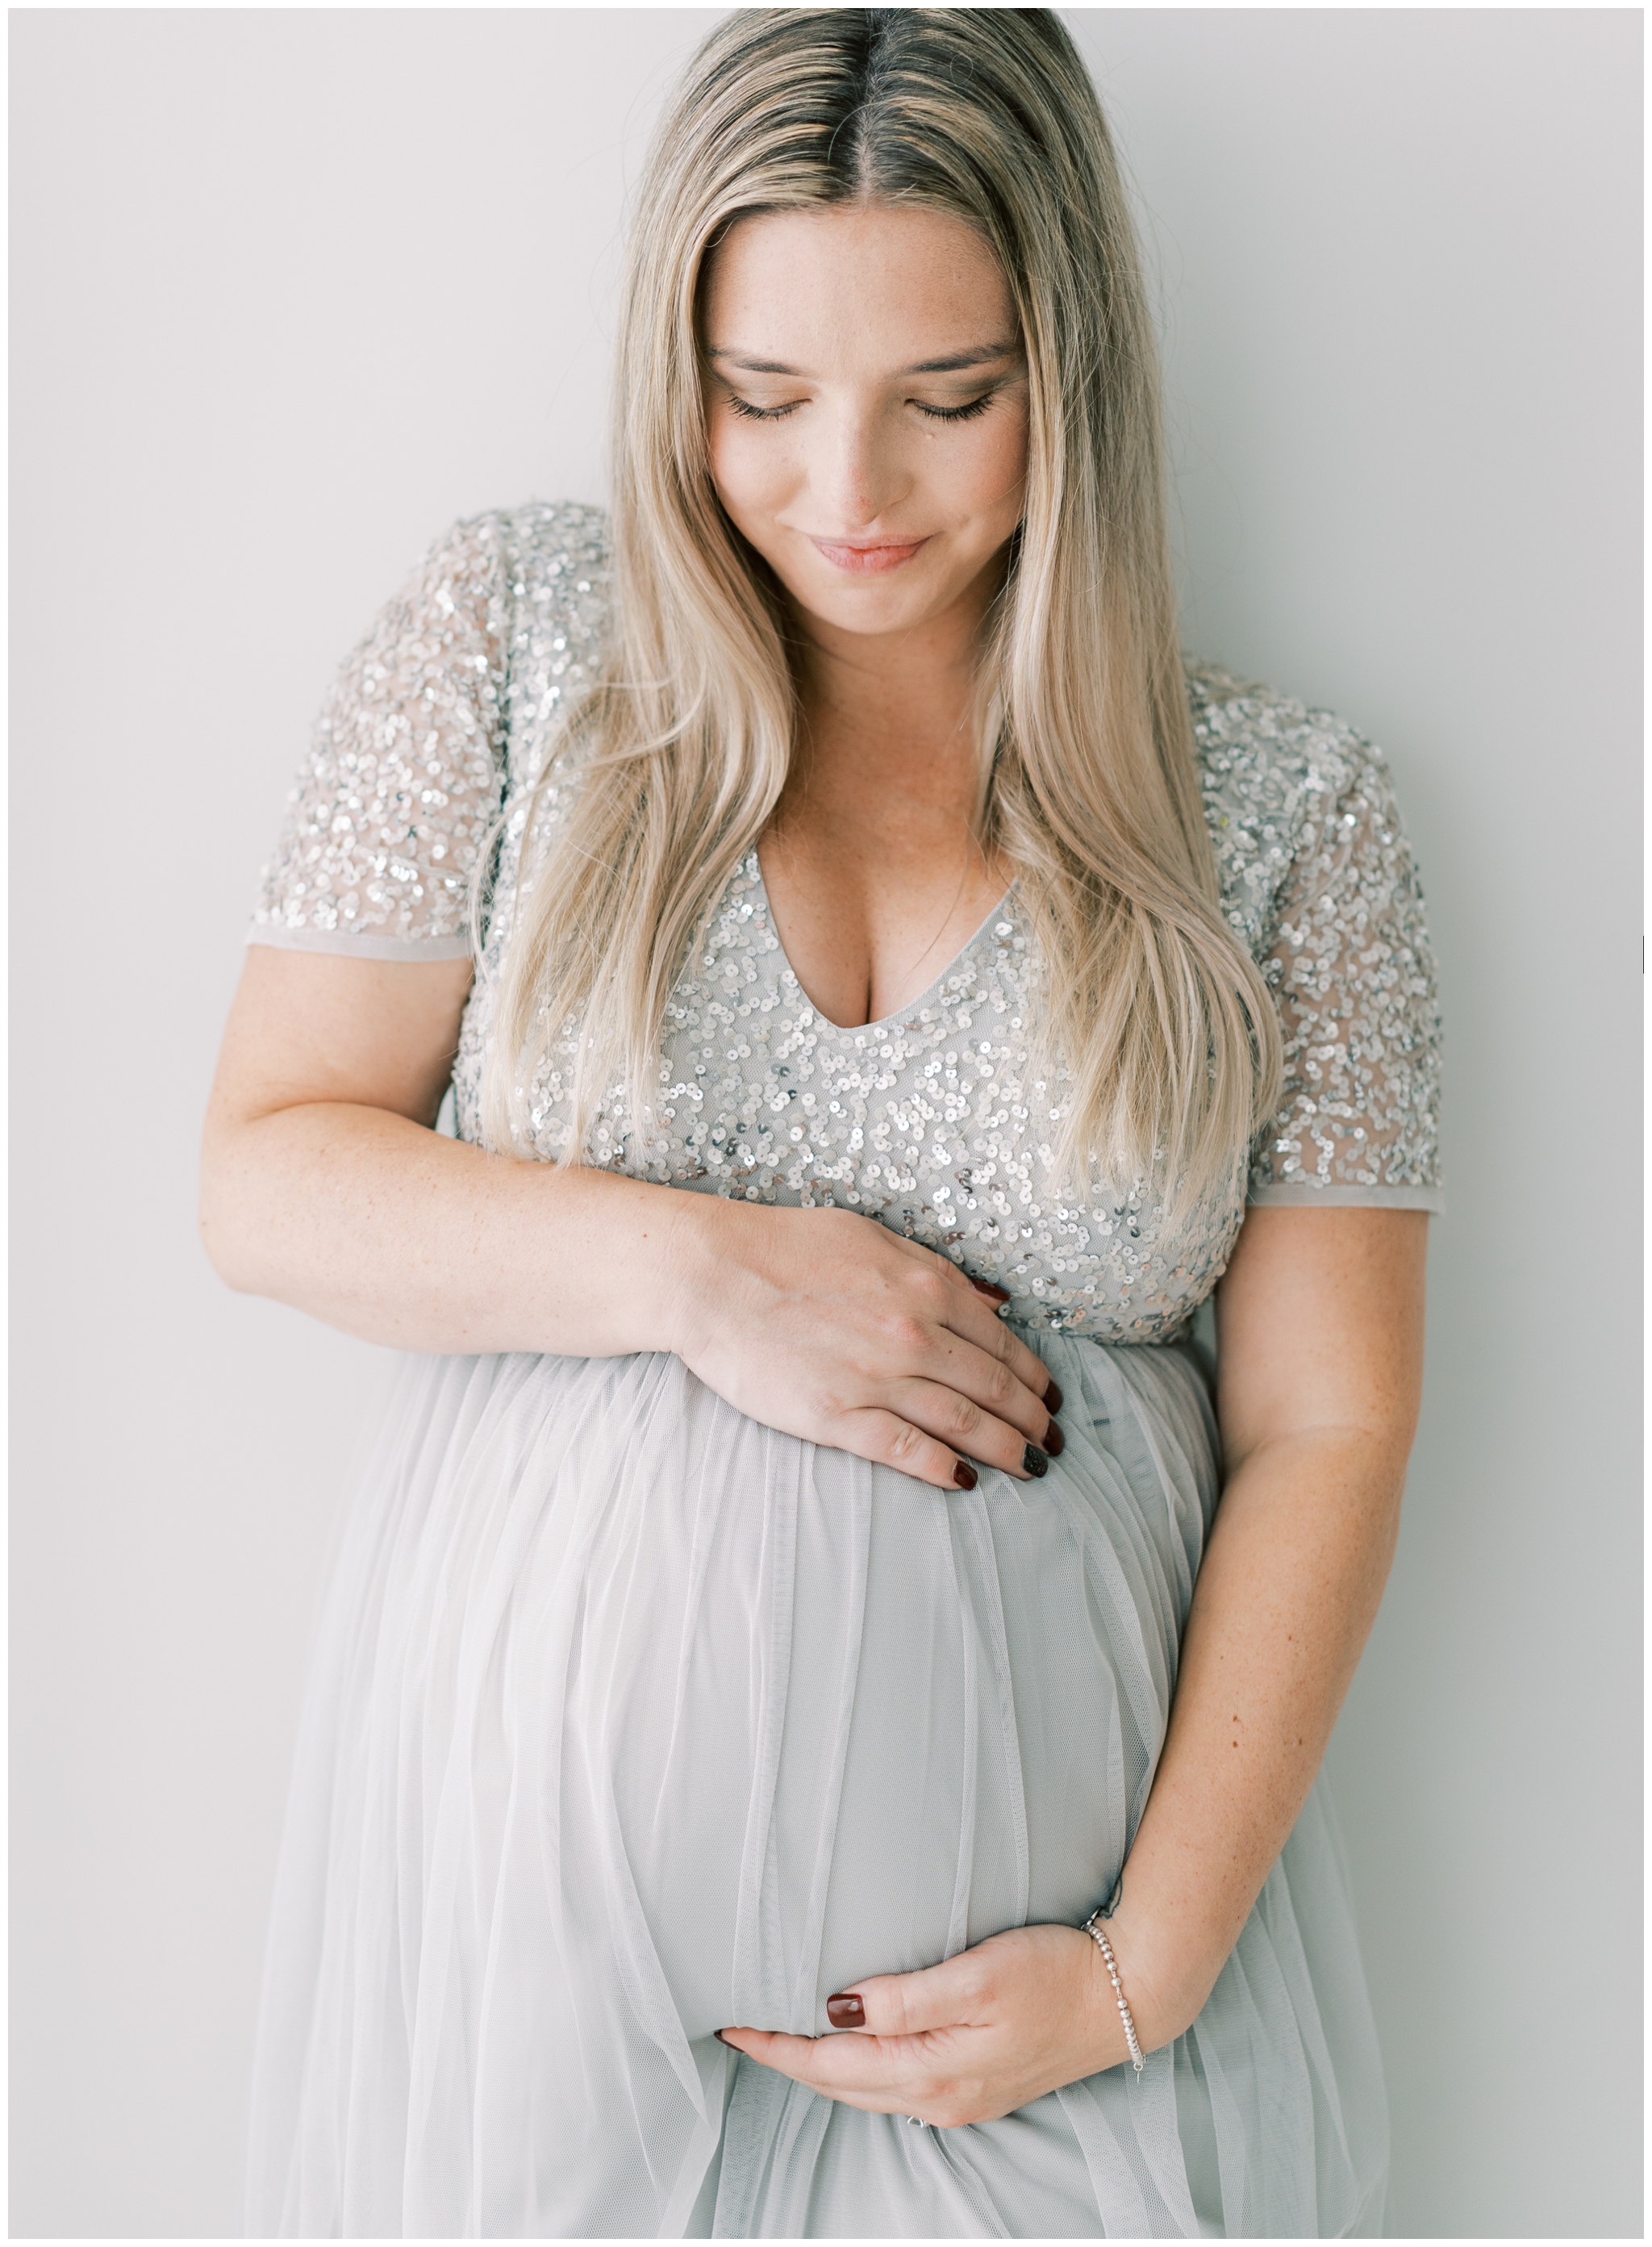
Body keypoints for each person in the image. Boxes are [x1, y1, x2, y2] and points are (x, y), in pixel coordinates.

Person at [202, 10, 1441, 2236]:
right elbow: (269, 1169)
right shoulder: (507, 647)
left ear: (1074, 376)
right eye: (762, 397)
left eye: (946, 400)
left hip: (1063, 2016)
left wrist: (1138, 1962)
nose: (848, 491)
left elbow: (1333, 1421)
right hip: (527, 1969)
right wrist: (697, 1273)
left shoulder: (1282, 820)